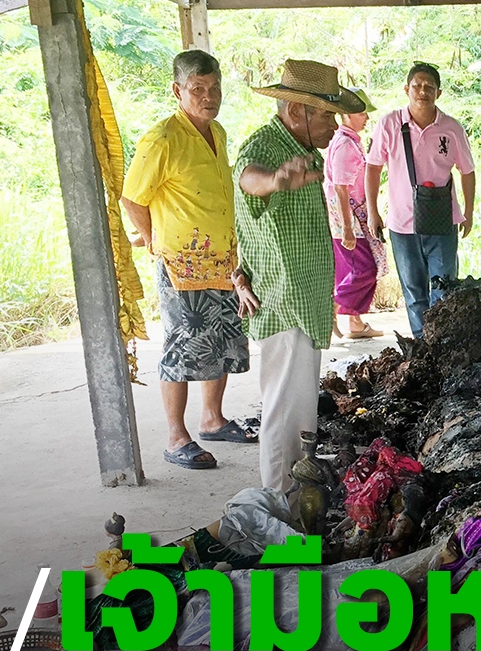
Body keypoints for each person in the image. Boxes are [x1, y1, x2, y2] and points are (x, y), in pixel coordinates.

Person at [232, 59, 366, 491]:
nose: (334, 125)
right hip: (284, 301)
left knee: (300, 410)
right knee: (284, 411)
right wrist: (274, 181)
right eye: (326, 115)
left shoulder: (305, 150)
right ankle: (278, 498)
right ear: (295, 111)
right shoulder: (264, 148)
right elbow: (248, 179)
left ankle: (293, 495)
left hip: (303, 301)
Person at [122, 50, 254, 471]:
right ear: (177, 91)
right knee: (182, 348)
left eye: (214, 88)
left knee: (222, 342)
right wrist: (153, 240)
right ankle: (176, 437)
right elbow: (132, 198)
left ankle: (212, 419)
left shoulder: (217, 132)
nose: (209, 96)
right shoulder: (162, 138)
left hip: (224, 261)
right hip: (182, 266)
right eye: (198, 89)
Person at [365, 62, 476, 338]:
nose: (422, 91)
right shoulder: (390, 124)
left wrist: (469, 211)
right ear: (407, 89)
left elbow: (467, 171)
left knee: (444, 288)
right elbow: (373, 167)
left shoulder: (451, 128)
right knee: (414, 292)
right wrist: (373, 212)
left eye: (429, 87)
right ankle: (421, 344)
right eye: (417, 86)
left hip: (443, 221)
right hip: (402, 222)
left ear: (439, 93)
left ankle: (442, 343)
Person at [325, 87, 386, 339]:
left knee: (351, 268)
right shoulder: (345, 145)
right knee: (364, 269)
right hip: (348, 219)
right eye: (362, 113)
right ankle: (334, 306)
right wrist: (348, 229)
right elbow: (341, 187)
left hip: (350, 217)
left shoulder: (348, 141)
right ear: (347, 115)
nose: (366, 118)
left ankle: (356, 323)